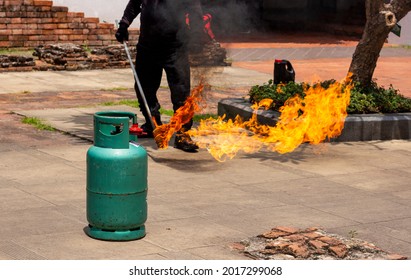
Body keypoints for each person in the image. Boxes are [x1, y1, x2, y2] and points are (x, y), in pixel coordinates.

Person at [115, 0, 209, 152]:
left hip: (175, 48)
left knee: (181, 93)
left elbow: (195, 12)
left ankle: (183, 133)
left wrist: (197, 36)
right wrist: (124, 25)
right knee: (144, 89)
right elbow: (134, 5)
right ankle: (153, 124)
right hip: (147, 46)